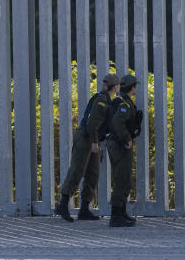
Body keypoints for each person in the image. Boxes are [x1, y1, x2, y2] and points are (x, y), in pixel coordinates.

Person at [55, 72, 120, 221]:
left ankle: (84, 209)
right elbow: (92, 123)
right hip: (86, 138)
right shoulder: (102, 100)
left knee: (93, 173)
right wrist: (95, 142)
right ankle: (63, 205)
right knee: (77, 170)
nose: (118, 87)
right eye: (118, 85)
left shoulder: (108, 100)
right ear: (115, 86)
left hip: (92, 138)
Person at [107, 73, 142, 227]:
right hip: (119, 145)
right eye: (135, 86)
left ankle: (122, 212)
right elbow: (117, 123)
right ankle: (116, 216)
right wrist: (127, 138)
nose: (135, 89)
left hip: (114, 143)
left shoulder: (119, 101)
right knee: (122, 179)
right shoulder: (125, 105)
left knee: (123, 178)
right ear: (132, 87)